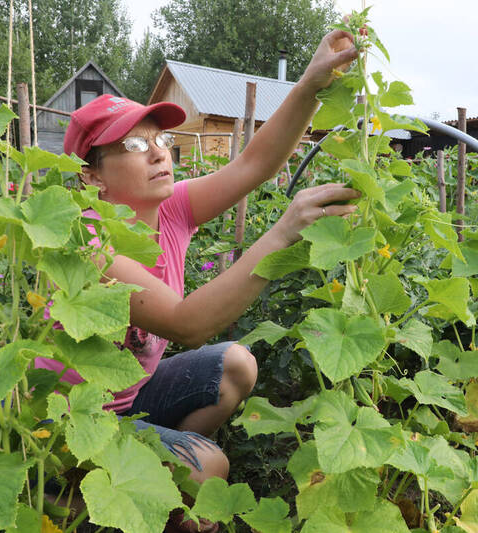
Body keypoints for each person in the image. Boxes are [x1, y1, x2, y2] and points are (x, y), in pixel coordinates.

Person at [37, 30, 359, 532]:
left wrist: (310, 86)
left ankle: (139, 480)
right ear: (91, 177)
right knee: (209, 473)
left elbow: (254, 163)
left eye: (162, 140)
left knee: (236, 366)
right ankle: (82, 499)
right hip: (67, 424)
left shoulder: (172, 209)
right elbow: (187, 325)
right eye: (135, 144)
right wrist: (281, 233)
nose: (159, 153)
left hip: (130, 402)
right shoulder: (87, 242)